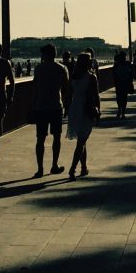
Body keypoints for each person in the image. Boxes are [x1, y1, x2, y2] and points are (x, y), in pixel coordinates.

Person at [30, 43, 70, 178]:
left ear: (45, 55)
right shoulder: (62, 68)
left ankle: (40, 168)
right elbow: (66, 89)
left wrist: (31, 107)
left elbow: (34, 89)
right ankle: (54, 165)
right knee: (56, 137)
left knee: (40, 139)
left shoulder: (38, 69)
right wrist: (66, 105)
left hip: (41, 106)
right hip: (56, 106)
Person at [66, 51, 100, 178]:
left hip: (75, 108)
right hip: (87, 108)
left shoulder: (74, 77)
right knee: (81, 141)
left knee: (82, 140)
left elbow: (69, 94)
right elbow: (96, 96)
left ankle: (83, 167)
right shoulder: (91, 77)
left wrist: (67, 109)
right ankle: (72, 169)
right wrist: (98, 112)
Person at [112, 51, 134, 119]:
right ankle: (122, 112)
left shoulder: (117, 64)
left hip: (120, 83)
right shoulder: (127, 63)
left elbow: (114, 74)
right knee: (124, 98)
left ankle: (120, 111)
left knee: (120, 97)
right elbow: (131, 73)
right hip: (124, 83)